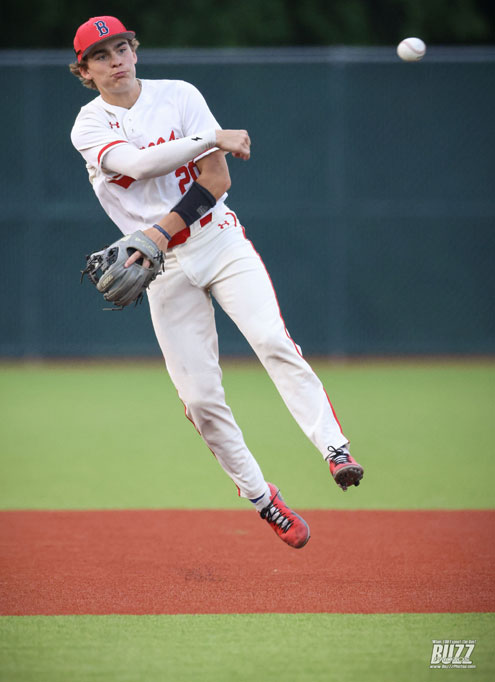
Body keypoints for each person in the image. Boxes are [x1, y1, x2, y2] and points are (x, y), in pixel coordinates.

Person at [69, 16, 364, 549]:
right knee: (201, 399)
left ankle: (334, 448)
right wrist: (210, 139)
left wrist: (159, 230)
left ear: (136, 50)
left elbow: (217, 180)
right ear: (85, 71)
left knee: (272, 340)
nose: (116, 60)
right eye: (101, 55)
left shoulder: (179, 95)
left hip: (215, 239)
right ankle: (263, 499)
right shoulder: (89, 126)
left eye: (122, 47)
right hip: (157, 267)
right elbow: (135, 164)